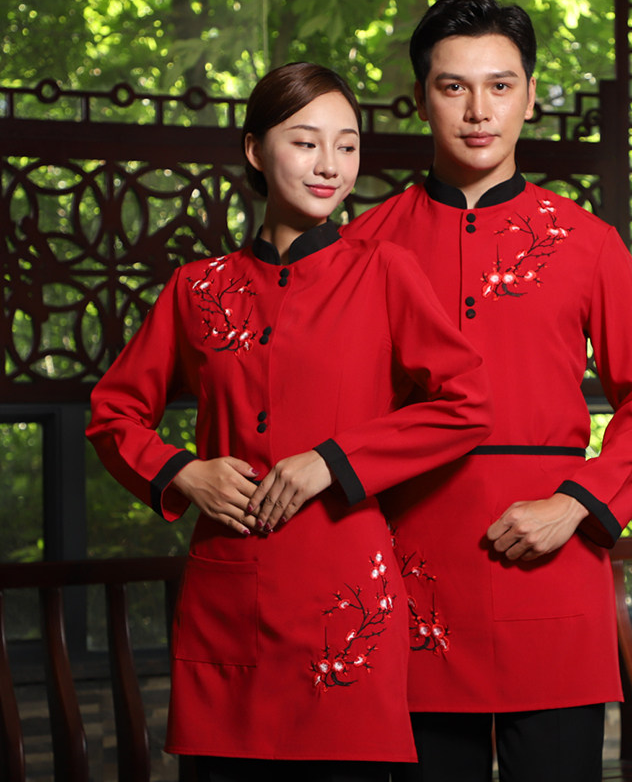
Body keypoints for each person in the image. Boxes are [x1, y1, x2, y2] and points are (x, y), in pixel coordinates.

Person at [86, 62, 492, 782]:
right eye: (306, 142)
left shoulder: (384, 271)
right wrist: (185, 473)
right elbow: (113, 413)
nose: (330, 165)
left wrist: (331, 460)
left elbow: (466, 404)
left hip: (346, 603)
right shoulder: (196, 289)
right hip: (226, 597)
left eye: (347, 145)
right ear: (255, 149)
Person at [342, 0, 632, 782]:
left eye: (500, 86)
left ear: (530, 97)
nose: (478, 111)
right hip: (408, 573)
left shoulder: (588, 242)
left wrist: (576, 504)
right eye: (453, 87)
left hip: (552, 565)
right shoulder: (364, 245)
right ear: (420, 98)